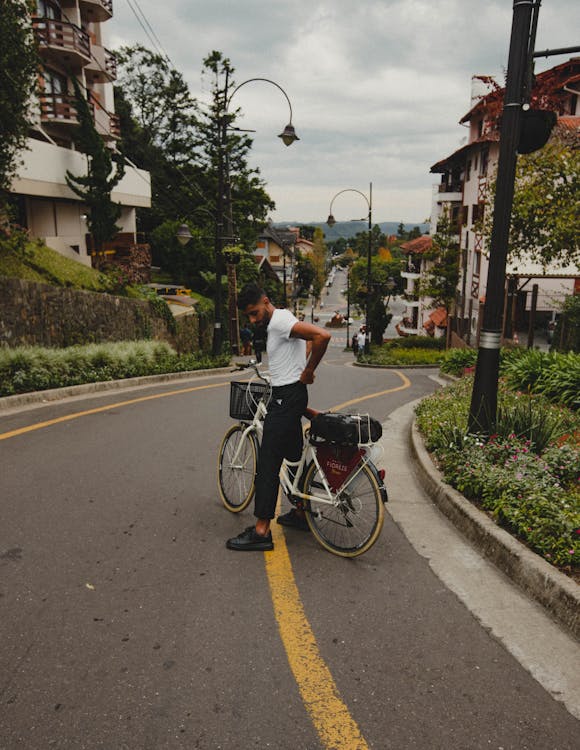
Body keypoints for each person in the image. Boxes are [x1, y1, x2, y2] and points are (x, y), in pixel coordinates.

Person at [226, 283, 331, 551]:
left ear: (265, 301)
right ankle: (299, 513)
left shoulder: (279, 322)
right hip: (288, 396)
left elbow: (322, 336)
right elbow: (305, 342)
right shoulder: (283, 321)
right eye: (248, 316)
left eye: (254, 313)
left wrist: (308, 371)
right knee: (293, 455)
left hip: (286, 399)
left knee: (268, 463)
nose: (252, 320)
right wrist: (299, 374)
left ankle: (261, 531)